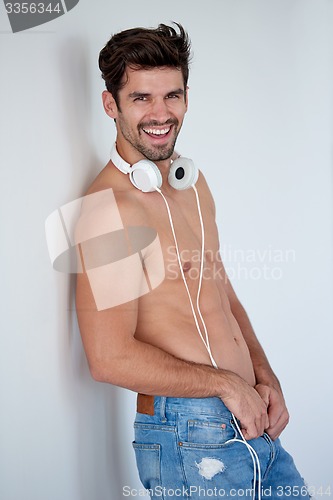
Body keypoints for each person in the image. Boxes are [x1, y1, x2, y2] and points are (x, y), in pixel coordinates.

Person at [75, 23, 310, 499]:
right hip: (188, 431)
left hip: (247, 416)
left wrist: (264, 376)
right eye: (141, 98)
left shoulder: (190, 185)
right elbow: (109, 358)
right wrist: (226, 384)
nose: (160, 114)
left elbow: (219, 290)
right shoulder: (108, 210)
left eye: (172, 96)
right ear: (110, 105)